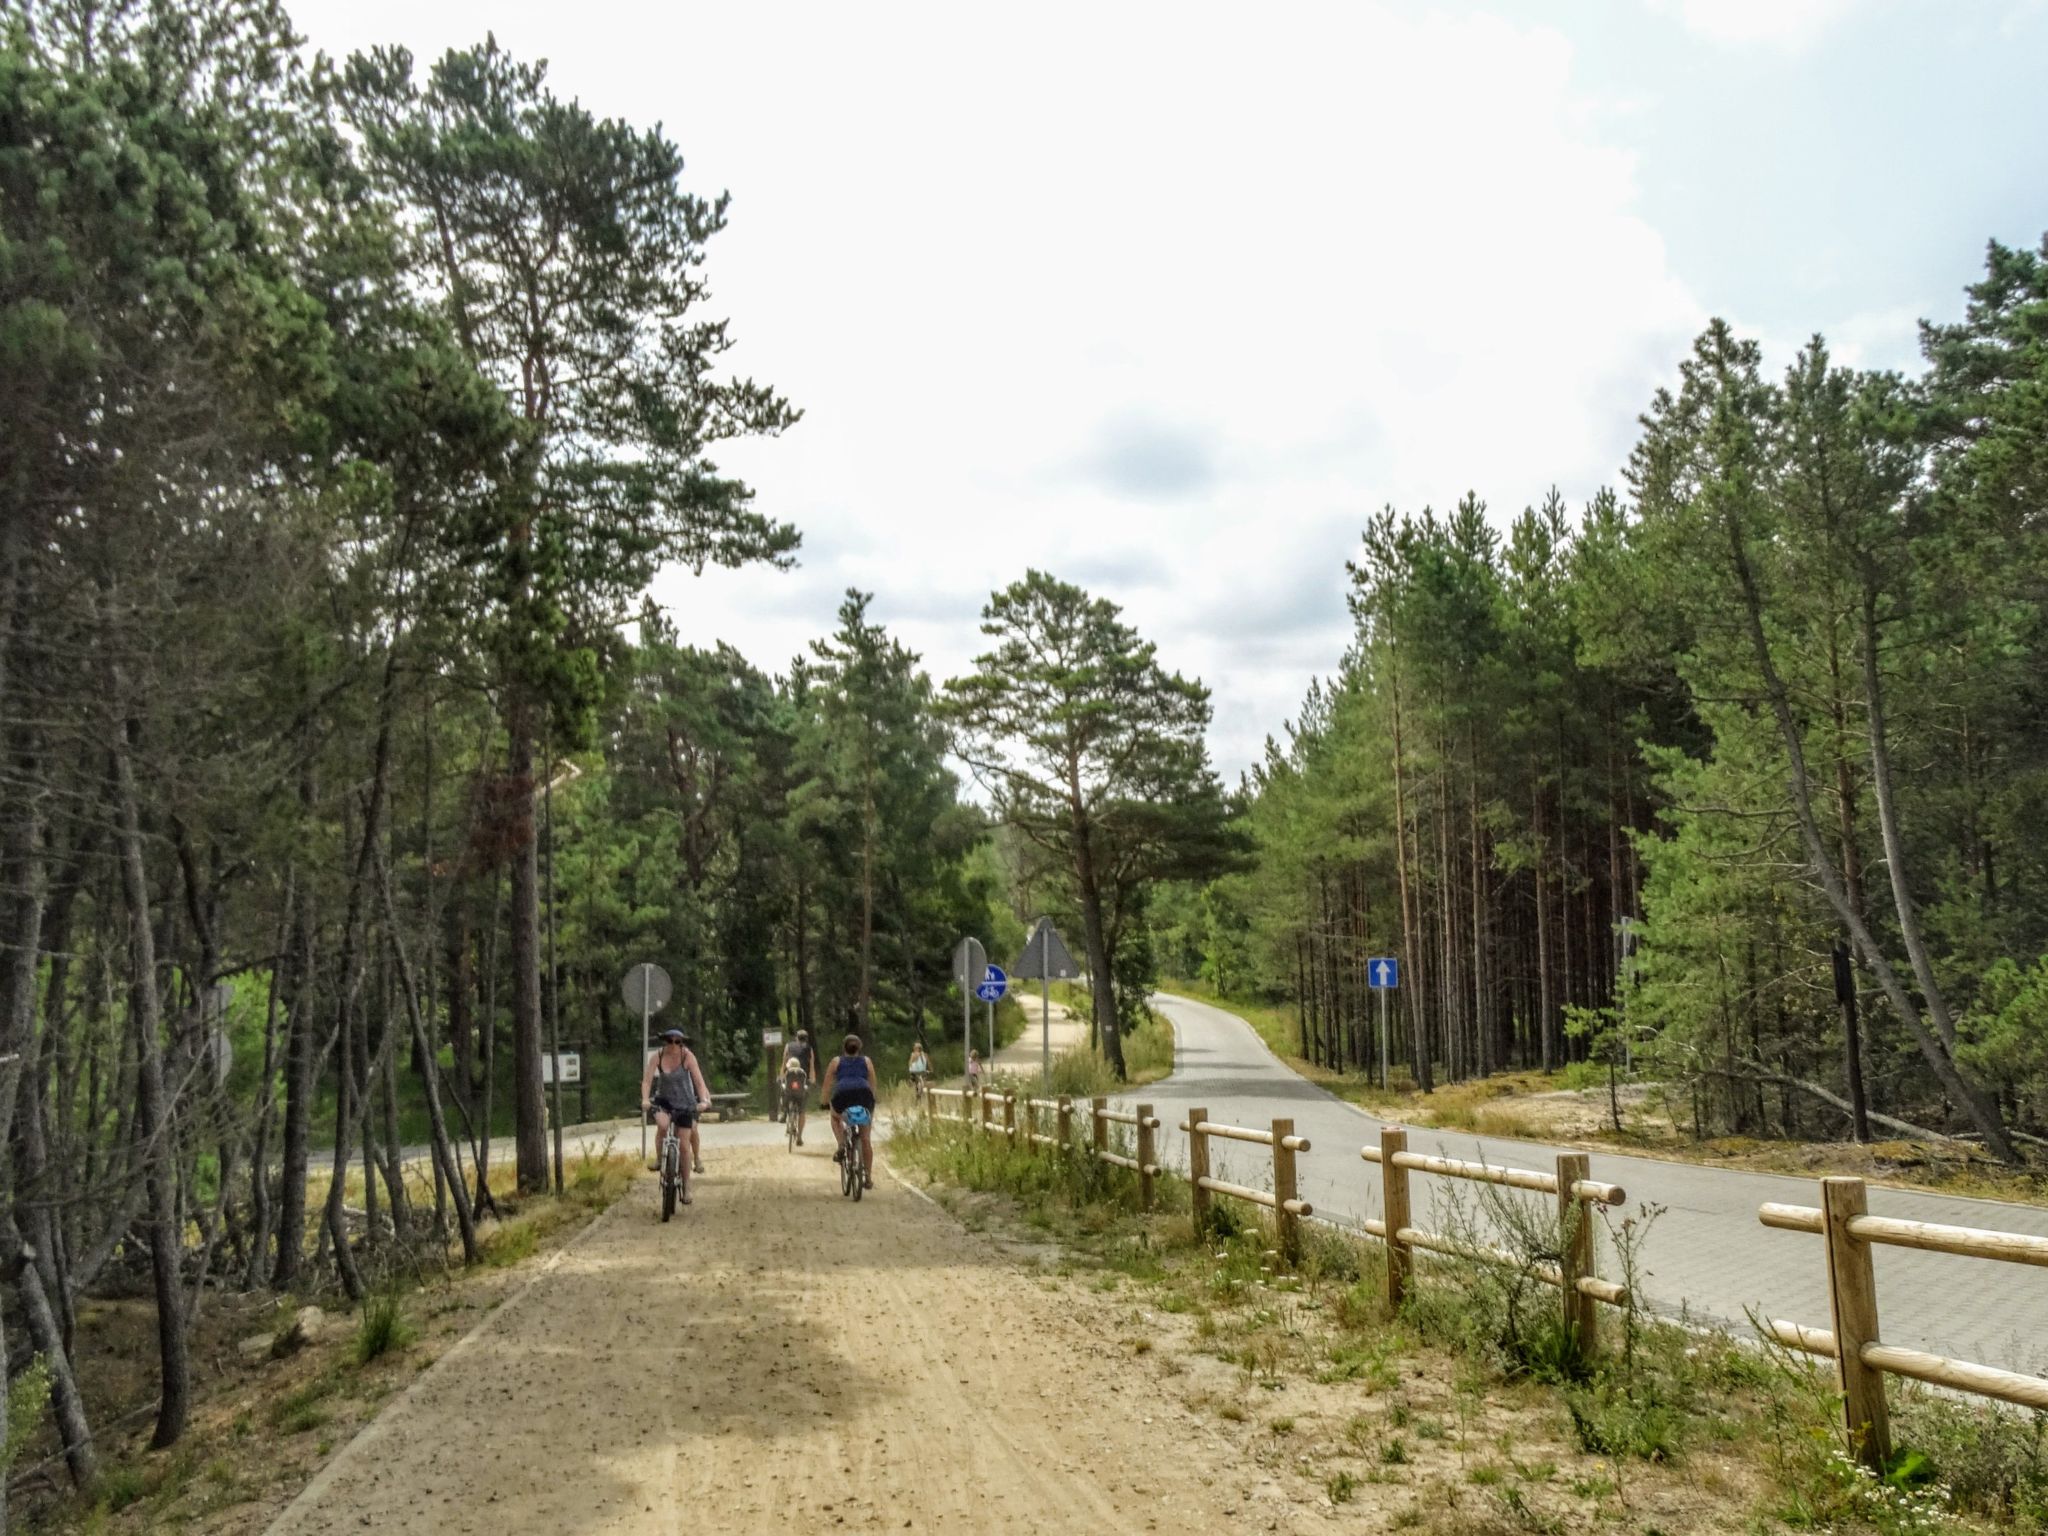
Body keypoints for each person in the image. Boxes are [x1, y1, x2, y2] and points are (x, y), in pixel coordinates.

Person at [640, 1029, 710, 1199]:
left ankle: (686, 1187)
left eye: (677, 1042)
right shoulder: (657, 1056)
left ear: (682, 1043)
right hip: (664, 1101)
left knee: (684, 1145)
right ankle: (659, 1159)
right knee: (662, 1125)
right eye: (669, 1041)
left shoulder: (688, 1057)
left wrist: (703, 1101)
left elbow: (699, 1082)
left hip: (685, 1103)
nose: (673, 1045)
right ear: (665, 1042)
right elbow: (647, 1080)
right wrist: (645, 1099)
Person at [822, 1033, 876, 1190]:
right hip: (863, 1095)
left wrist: (824, 1102)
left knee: (835, 1117)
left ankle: (841, 1145)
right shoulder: (867, 1061)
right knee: (866, 1138)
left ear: (843, 1047)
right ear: (859, 1048)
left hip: (843, 1095)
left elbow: (827, 1084)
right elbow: (872, 1083)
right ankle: (868, 1176)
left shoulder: (836, 1062)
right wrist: (872, 1101)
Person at [779, 1045, 811, 1144]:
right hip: (800, 1095)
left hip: (789, 1095)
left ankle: (784, 1113)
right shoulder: (802, 1072)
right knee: (802, 1112)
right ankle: (799, 1137)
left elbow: (783, 1080)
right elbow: (805, 1084)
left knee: (782, 1091)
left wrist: (781, 1082)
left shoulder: (788, 1072)